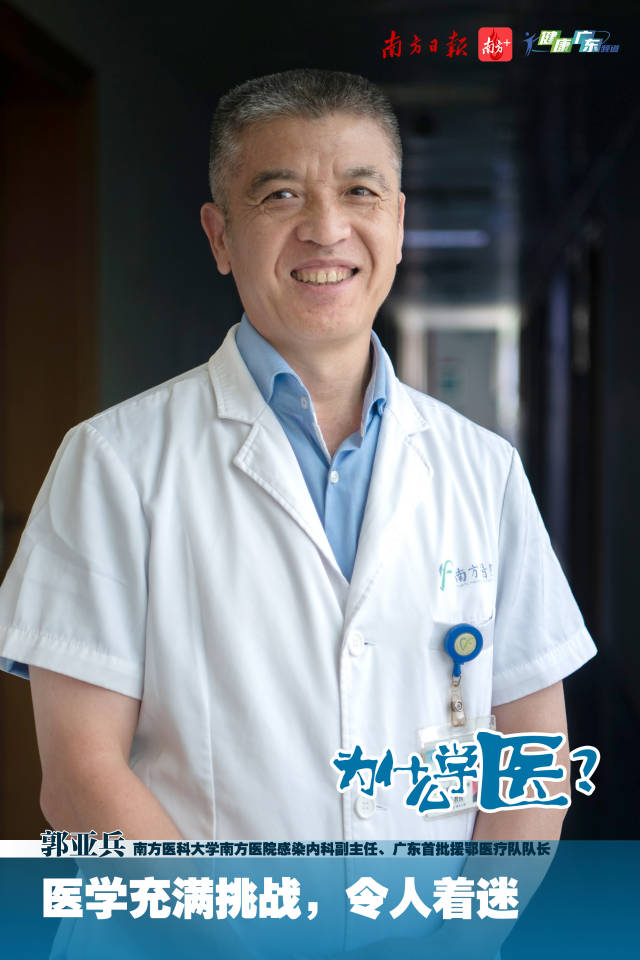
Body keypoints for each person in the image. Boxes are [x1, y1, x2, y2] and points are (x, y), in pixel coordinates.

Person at [0, 69, 596, 845]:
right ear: (220, 236)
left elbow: (534, 752)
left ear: (399, 223)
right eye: (281, 195)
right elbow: (81, 777)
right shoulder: (114, 462)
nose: (326, 229)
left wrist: (468, 916)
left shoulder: (483, 470)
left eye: (360, 192)